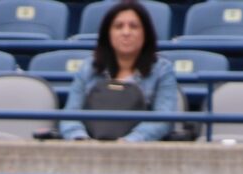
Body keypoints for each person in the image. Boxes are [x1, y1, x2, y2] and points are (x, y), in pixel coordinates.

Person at [57, 1, 182, 143]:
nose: (126, 32)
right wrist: (81, 140)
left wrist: (127, 142)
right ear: (108, 33)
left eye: (133, 26)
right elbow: (70, 115)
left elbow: (163, 119)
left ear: (145, 33)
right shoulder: (88, 67)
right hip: (89, 150)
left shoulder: (162, 69)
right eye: (118, 26)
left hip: (138, 153)